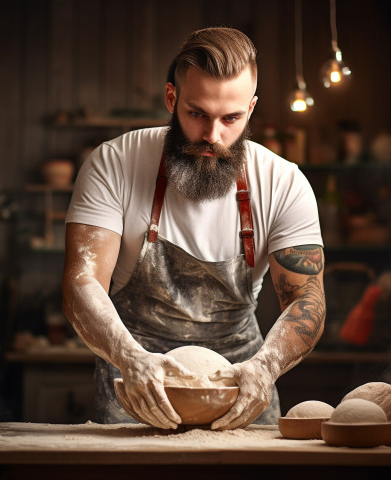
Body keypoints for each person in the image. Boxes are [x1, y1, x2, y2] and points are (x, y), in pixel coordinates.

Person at [62, 26, 325, 430]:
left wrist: (265, 369)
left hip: (242, 384)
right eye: (197, 113)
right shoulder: (114, 163)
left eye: (231, 118)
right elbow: (82, 282)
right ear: (172, 99)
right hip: (136, 381)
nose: (212, 136)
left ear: (251, 109)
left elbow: (307, 299)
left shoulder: (283, 182)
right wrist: (130, 358)